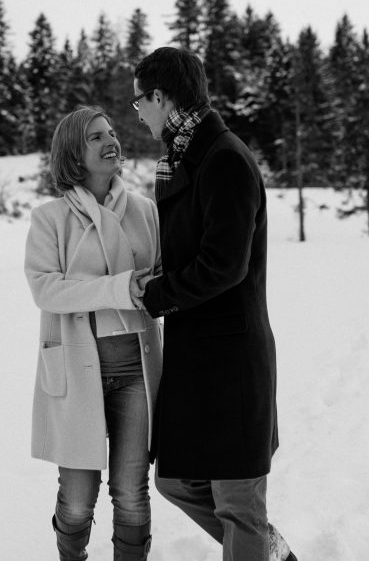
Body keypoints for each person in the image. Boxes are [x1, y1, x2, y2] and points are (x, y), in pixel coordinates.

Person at [130, 47, 297, 561]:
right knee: (176, 480)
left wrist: (156, 295)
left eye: (140, 101)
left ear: (161, 97)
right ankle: (263, 547)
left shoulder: (223, 157)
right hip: (198, 358)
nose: (137, 112)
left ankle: (254, 542)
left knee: (237, 502)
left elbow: (225, 265)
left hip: (230, 360)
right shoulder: (184, 159)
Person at [24, 106, 163, 561]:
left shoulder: (144, 211)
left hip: (135, 373)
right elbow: (48, 290)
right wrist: (123, 287)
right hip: (76, 371)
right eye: (95, 137)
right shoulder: (50, 219)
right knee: (78, 497)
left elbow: (162, 278)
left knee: (130, 492)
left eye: (111, 132)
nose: (111, 142)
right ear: (73, 154)